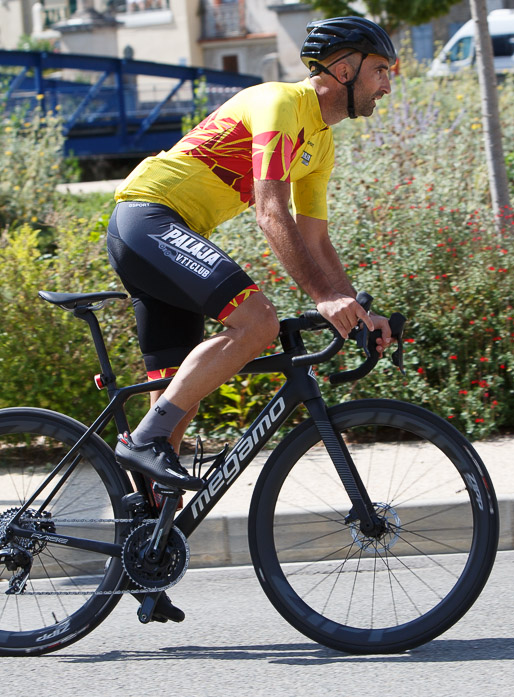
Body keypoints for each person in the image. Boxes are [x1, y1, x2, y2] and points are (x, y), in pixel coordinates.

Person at [107, 15, 397, 503]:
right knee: (257, 323)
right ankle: (143, 441)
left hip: (171, 234)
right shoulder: (282, 103)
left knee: (177, 405)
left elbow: (316, 241)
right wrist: (324, 297)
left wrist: (355, 308)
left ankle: (141, 546)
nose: (387, 85)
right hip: (147, 219)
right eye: (381, 70)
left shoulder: (320, 144)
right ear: (344, 70)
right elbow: (270, 212)